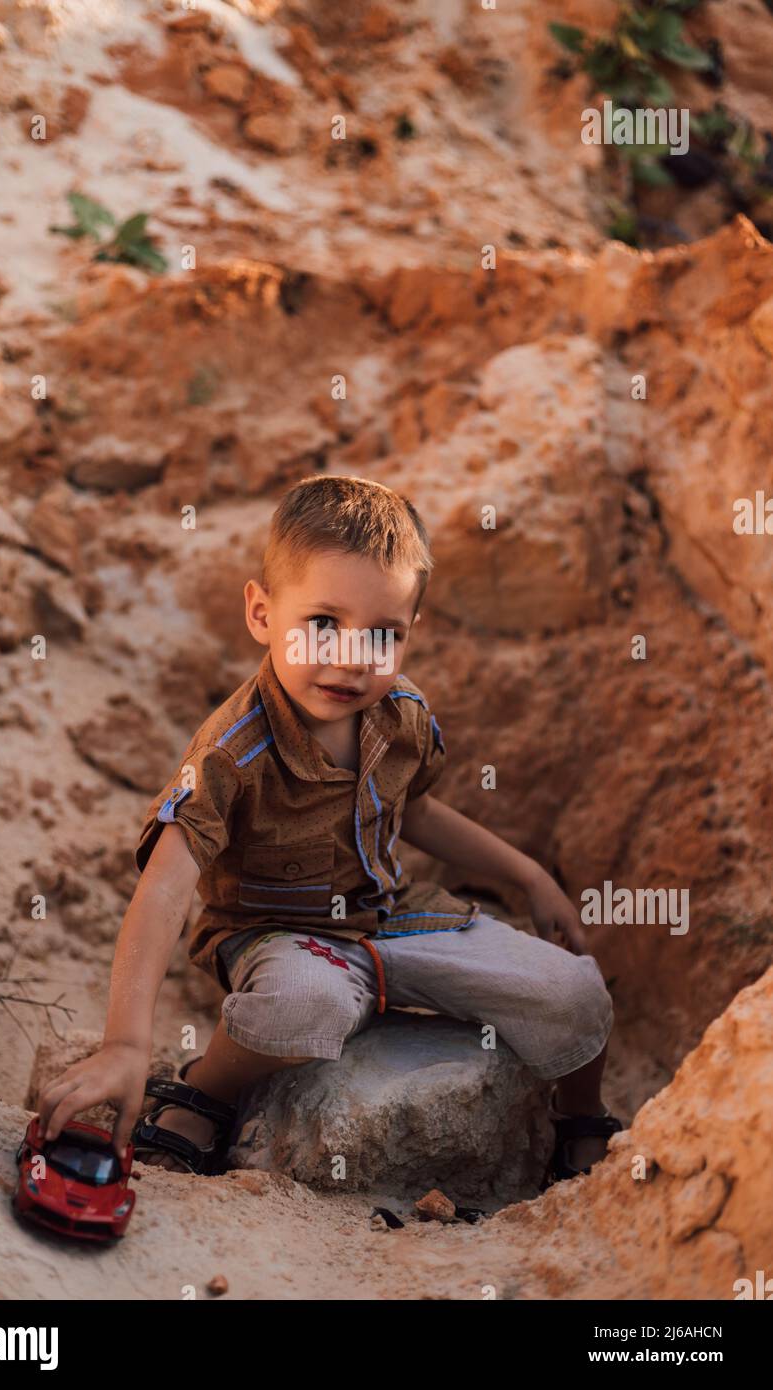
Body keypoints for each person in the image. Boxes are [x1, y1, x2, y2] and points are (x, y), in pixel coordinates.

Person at [37, 475, 622, 1187]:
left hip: (395, 922)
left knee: (578, 992)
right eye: (323, 623)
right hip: (280, 934)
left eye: (384, 634)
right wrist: (125, 1044)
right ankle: (209, 1088)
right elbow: (163, 889)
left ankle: (581, 1120)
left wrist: (528, 876)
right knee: (301, 1007)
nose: (352, 657)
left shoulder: (401, 713)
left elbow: (422, 812)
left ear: (411, 632)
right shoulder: (233, 752)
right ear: (261, 611)